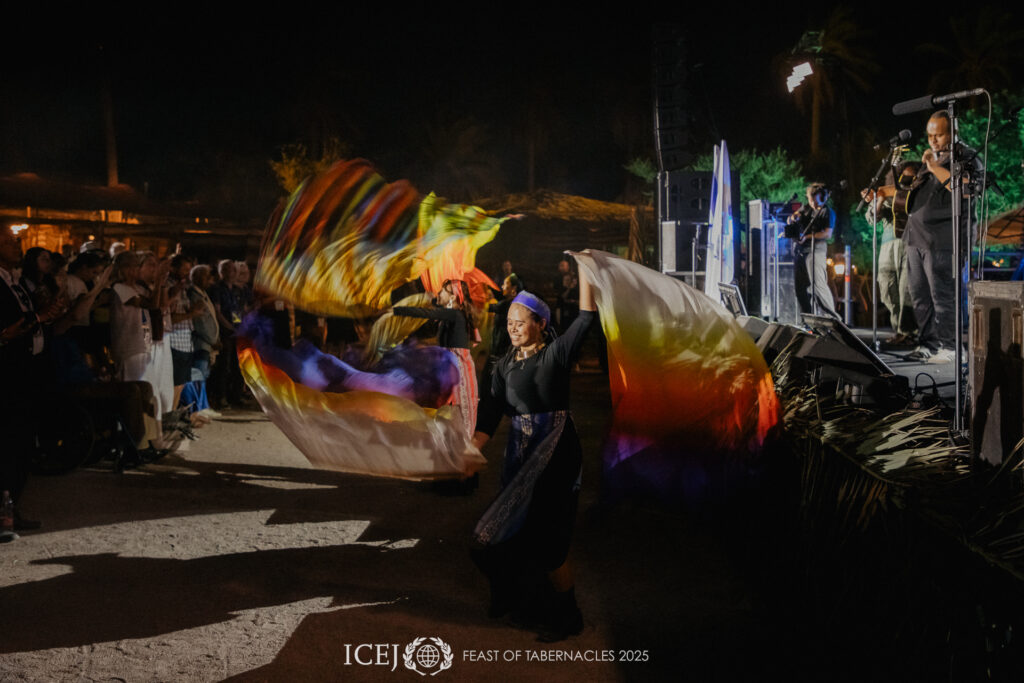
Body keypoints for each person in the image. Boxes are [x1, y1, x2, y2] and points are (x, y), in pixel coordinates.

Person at [471, 265, 595, 641]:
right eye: (508, 321)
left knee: (549, 542)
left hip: (556, 454)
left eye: (519, 321)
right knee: (495, 537)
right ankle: (520, 602)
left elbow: (587, 318)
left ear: (540, 323)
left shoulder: (555, 355)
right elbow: (491, 410)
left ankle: (567, 616)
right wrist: (473, 448)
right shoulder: (504, 364)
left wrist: (586, 267)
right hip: (520, 455)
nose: (511, 327)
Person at [900, 110, 983, 363]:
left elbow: (968, 190)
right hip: (916, 238)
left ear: (953, 132)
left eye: (939, 135)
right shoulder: (930, 160)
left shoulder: (967, 156)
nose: (933, 140)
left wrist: (935, 167)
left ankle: (951, 347)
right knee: (920, 296)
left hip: (944, 240)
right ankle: (927, 343)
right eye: (929, 135)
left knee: (943, 295)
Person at [394, 279, 478, 438]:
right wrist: (428, 298)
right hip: (449, 368)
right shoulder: (449, 314)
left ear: (452, 297)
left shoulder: (455, 314)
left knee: (461, 411)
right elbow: (434, 305)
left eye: (443, 291)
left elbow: (428, 312)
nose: (439, 292)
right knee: (446, 413)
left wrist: (396, 310)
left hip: (459, 370)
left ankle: (463, 450)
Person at [862, 162, 920, 346]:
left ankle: (909, 332)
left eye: (909, 177)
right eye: (902, 176)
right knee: (887, 288)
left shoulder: (916, 194)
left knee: (906, 290)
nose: (904, 179)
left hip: (909, 243)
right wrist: (878, 199)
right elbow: (872, 219)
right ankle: (898, 329)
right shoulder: (887, 195)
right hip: (887, 246)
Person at [787, 183, 837, 318]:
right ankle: (808, 320)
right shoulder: (807, 208)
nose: (813, 204)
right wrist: (793, 218)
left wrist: (807, 237)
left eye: (816, 201)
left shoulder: (827, 212)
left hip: (816, 250)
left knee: (817, 286)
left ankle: (832, 319)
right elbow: (795, 216)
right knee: (800, 289)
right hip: (801, 251)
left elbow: (827, 234)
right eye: (810, 200)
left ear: (823, 197)